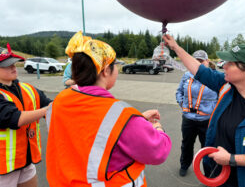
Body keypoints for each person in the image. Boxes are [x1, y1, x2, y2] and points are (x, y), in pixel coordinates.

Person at [163, 34, 245, 187]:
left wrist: (230, 159)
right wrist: (175, 47)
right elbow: (199, 71)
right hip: (218, 177)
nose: (224, 66)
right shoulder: (227, 87)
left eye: (230, 63)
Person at [46, 31, 171, 187]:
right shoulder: (118, 114)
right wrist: (157, 128)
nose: (117, 71)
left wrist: (137, 120)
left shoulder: (60, 101)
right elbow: (157, 151)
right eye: (115, 66)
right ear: (105, 70)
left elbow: (88, 132)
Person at [0, 43, 52, 187]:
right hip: (3, 167)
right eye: (6, 65)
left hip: (25, 160)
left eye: (13, 64)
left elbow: (49, 104)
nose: (13, 67)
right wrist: (47, 110)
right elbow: (14, 118)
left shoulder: (27, 88)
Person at [176, 50, 218, 177]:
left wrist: (213, 110)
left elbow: (221, 98)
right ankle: (184, 165)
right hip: (188, 119)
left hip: (206, 120)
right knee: (186, 144)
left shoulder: (214, 77)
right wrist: (182, 104)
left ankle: (208, 174)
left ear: (207, 61)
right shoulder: (187, 75)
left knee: (207, 148)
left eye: (201, 61)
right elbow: (179, 92)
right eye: (196, 61)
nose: (198, 64)